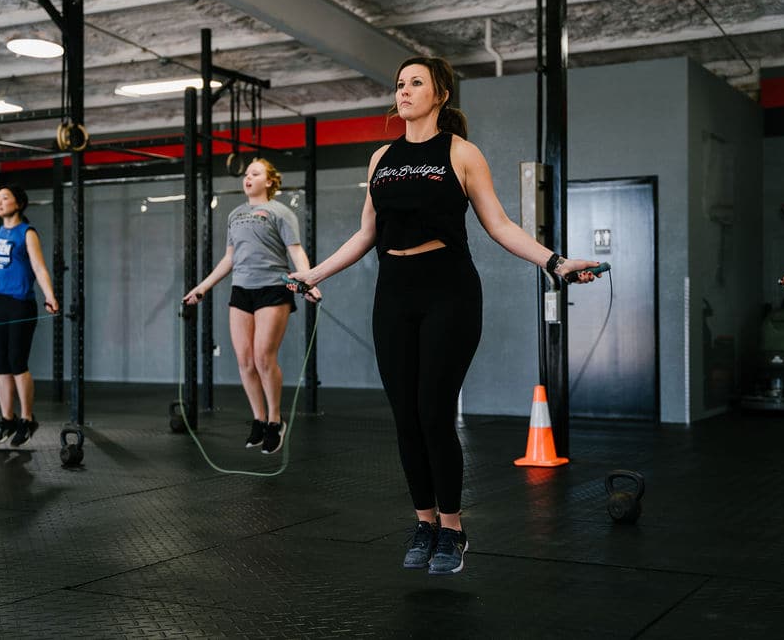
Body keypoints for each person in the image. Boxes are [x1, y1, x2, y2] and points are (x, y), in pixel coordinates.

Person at [289, 56, 603, 575]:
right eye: (399, 83)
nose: (404, 90)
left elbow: (500, 224)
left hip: (449, 291)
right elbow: (367, 233)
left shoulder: (461, 153)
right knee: (406, 417)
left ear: (440, 95)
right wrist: (315, 274)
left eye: (416, 83)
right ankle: (424, 522)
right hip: (394, 291)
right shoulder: (380, 159)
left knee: (433, 412)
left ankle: (454, 530)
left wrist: (556, 262)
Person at [183, 158, 321, 454]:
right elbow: (229, 259)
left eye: (255, 173)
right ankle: (258, 419)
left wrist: (310, 281)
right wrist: (202, 287)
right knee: (245, 360)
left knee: (262, 357)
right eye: (246, 174)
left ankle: (275, 421)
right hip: (241, 290)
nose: (248, 178)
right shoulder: (235, 214)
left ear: (269, 181)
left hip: (273, 288)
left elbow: (296, 251)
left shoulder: (280, 212)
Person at [0, 185, 58, 447]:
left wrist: (50, 296)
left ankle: (27, 419)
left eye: (4, 198)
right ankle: (7, 418)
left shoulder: (26, 234)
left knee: (17, 361)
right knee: (1, 364)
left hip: (21, 305)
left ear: (18, 203)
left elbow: (39, 268)